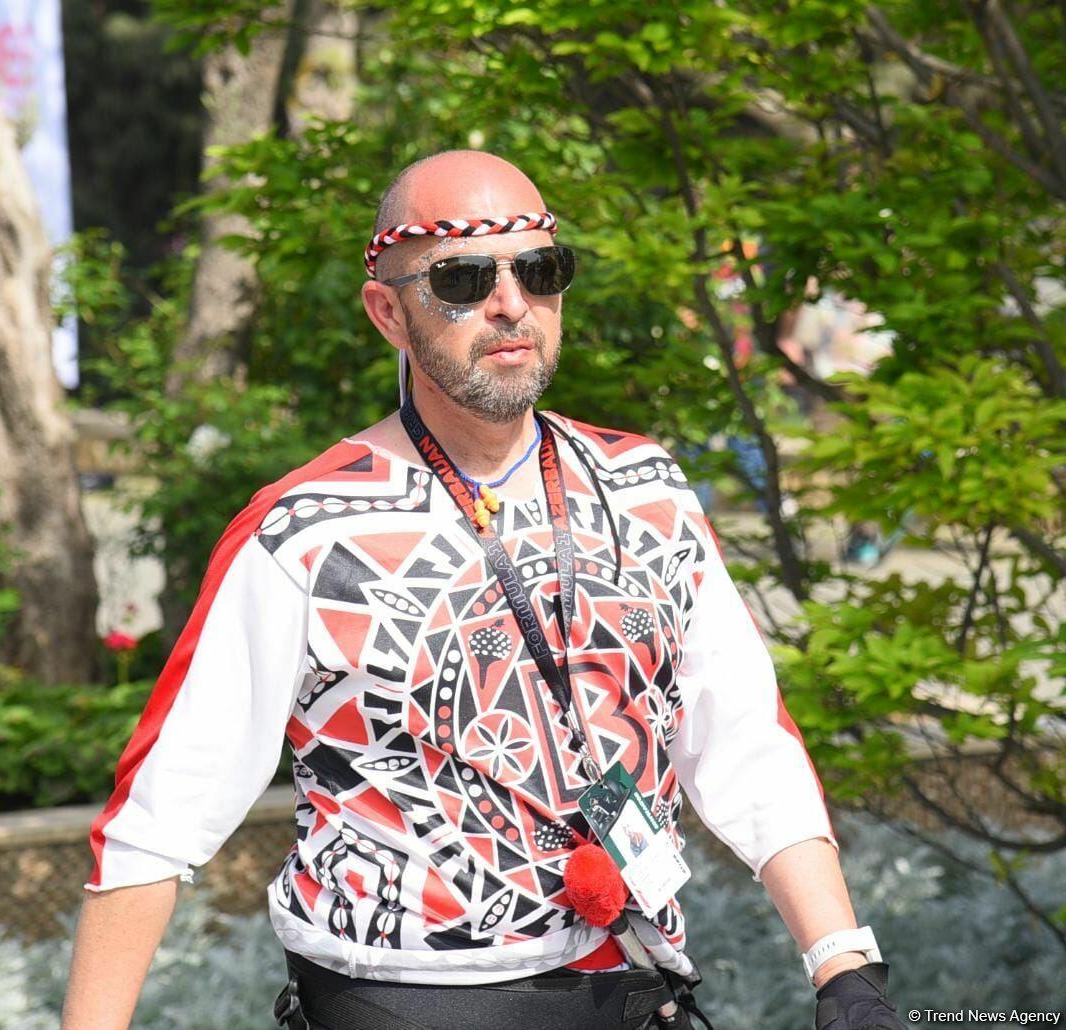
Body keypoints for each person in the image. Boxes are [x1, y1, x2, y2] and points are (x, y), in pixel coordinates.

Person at [61, 150, 907, 1030]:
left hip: (634, 989)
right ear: (388, 312)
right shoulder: (303, 532)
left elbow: (744, 744)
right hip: (401, 1003)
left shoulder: (645, 489)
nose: (510, 303)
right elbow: (157, 822)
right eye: (462, 279)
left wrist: (842, 968)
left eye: (539, 270)